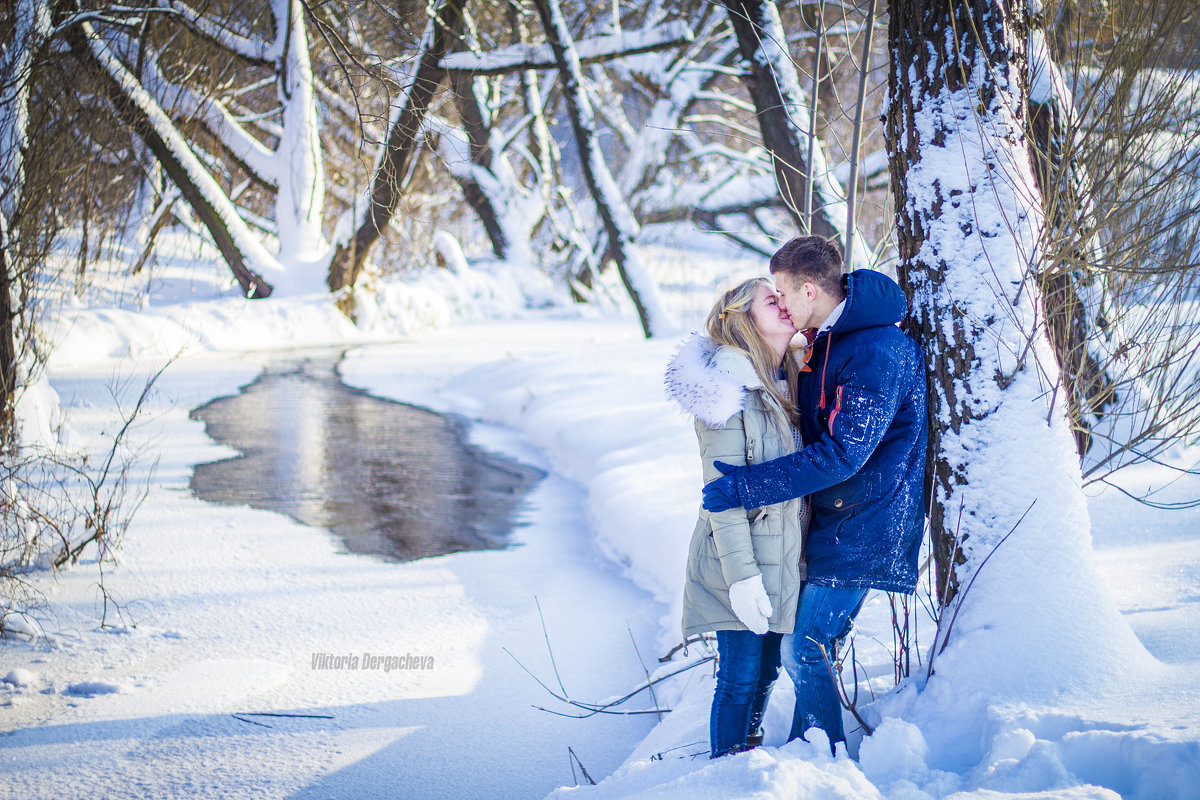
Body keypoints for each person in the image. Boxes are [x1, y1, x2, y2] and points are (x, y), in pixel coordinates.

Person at [701, 235, 928, 754]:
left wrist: (745, 487)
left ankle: (825, 761)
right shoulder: (831, 340)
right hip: (835, 521)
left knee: (804, 649)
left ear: (808, 289)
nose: (780, 304)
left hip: (867, 523)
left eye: (782, 293)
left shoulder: (875, 351)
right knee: (808, 650)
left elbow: (843, 454)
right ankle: (809, 755)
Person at [664, 277, 810, 758]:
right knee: (740, 675)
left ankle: (748, 752)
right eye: (773, 300)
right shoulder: (723, 391)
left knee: (766, 671)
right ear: (745, 317)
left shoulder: (786, 378)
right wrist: (743, 579)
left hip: (783, 556)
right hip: (737, 559)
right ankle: (724, 771)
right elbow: (720, 497)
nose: (785, 305)